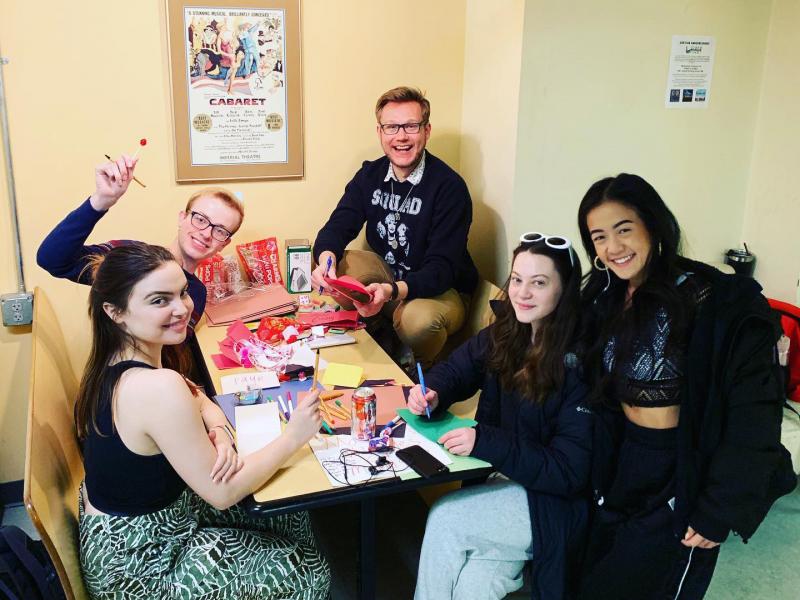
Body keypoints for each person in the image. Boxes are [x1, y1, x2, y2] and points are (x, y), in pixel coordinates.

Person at [575, 174, 796, 599]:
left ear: (653, 226)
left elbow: (753, 411)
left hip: (683, 471)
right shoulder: (603, 298)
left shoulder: (713, 299)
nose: (613, 248)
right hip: (622, 463)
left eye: (624, 229)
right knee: (599, 583)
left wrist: (719, 507)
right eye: (599, 237)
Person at [76, 243, 330, 599]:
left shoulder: (119, 359)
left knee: (288, 513)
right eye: (160, 300)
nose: (182, 308)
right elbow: (222, 493)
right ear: (115, 312)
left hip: (136, 528)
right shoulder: (155, 386)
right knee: (311, 570)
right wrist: (294, 436)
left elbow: (197, 395)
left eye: (182, 293)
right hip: (143, 567)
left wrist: (218, 431)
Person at [410, 235, 592, 600]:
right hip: (500, 483)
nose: (522, 293)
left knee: (446, 519)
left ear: (564, 290)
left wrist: (485, 440)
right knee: (474, 586)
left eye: (539, 283)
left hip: (549, 503)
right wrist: (434, 390)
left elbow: (568, 472)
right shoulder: (509, 333)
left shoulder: (579, 362)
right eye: (518, 279)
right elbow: (459, 368)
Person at [37, 155, 244, 391]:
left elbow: (170, 356)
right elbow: (52, 259)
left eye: (220, 231)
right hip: (123, 392)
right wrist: (102, 200)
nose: (206, 233)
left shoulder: (195, 292)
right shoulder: (132, 263)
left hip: (160, 389)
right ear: (182, 217)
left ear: (224, 243)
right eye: (200, 219)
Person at [311, 86, 478, 367]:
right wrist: (325, 259)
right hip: (388, 276)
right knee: (339, 265)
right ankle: (381, 332)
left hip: (438, 289)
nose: (401, 136)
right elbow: (338, 226)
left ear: (426, 130)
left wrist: (392, 291)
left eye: (411, 126)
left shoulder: (449, 187)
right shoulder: (370, 175)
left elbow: (441, 269)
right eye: (391, 127)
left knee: (417, 321)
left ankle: (423, 369)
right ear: (380, 132)